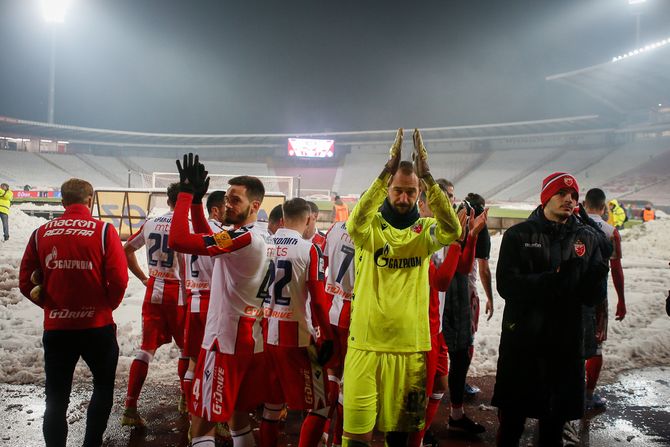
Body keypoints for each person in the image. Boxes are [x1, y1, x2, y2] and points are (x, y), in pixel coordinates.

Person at [343, 129, 461, 447]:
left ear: (419, 193)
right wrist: (385, 170)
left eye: (411, 192)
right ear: (387, 190)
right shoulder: (370, 230)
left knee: (400, 437)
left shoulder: (425, 231)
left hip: (411, 350)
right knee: (356, 436)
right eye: (398, 190)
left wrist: (429, 177)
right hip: (365, 346)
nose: (404, 198)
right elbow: (354, 223)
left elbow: (453, 229)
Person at [493, 172, 609, 447]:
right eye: (562, 194)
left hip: (565, 346)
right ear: (545, 197)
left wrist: (596, 282)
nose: (569, 200)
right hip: (524, 344)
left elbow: (591, 296)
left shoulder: (588, 238)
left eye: (574, 196)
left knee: (554, 426)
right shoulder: (517, 236)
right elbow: (506, 286)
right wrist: (552, 280)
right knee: (512, 422)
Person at [168, 154, 271, 447]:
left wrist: (185, 196)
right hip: (247, 338)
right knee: (238, 421)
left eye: (235, 200)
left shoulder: (242, 240)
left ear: (255, 206)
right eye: (226, 198)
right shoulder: (251, 236)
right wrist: (199, 203)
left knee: (201, 426)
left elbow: (179, 241)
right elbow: (206, 239)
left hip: (224, 341)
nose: (227, 204)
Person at [19, 178, 128, 447]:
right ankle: (91, 444)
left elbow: (25, 282)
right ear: (89, 200)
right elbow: (120, 280)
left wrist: (51, 305)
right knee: (102, 388)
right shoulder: (104, 231)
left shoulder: (40, 233)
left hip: (57, 329)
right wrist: (106, 306)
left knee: (56, 397)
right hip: (97, 327)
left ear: (63, 202)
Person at [260, 197, 335, 447]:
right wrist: (328, 336)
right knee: (321, 405)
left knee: (271, 409)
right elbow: (318, 300)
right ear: (308, 219)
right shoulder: (309, 248)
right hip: (298, 337)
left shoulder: (262, 244)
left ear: (282, 217)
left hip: (265, 334)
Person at [122, 183, 188, 427]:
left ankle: (130, 407)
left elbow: (127, 249)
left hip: (154, 289)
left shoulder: (151, 223)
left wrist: (142, 277)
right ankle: (184, 399)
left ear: (169, 200)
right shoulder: (189, 226)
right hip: (180, 293)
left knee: (146, 349)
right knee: (186, 350)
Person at [441, 195, 488, 435]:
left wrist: (470, 236)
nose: (449, 203)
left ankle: (455, 414)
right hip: (436, 305)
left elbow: (466, 266)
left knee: (459, 356)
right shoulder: (421, 228)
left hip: (457, 299)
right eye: (444, 198)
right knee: (432, 366)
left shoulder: (459, 225)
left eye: (450, 197)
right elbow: (441, 279)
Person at [181, 190, 228, 410]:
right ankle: (207, 414)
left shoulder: (189, 230)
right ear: (216, 210)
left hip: (193, 299)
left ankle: (187, 405)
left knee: (191, 359)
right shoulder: (222, 233)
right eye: (226, 206)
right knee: (212, 362)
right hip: (213, 304)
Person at [582, 188, 626, 409]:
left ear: (585, 202)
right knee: (596, 347)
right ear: (603, 206)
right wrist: (621, 300)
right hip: (598, 297)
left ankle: (567, 391)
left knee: (570, 343)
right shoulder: (611, 231)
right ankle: (588, 396)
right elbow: (616, 270)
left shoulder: (572, 223)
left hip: (571, 293)